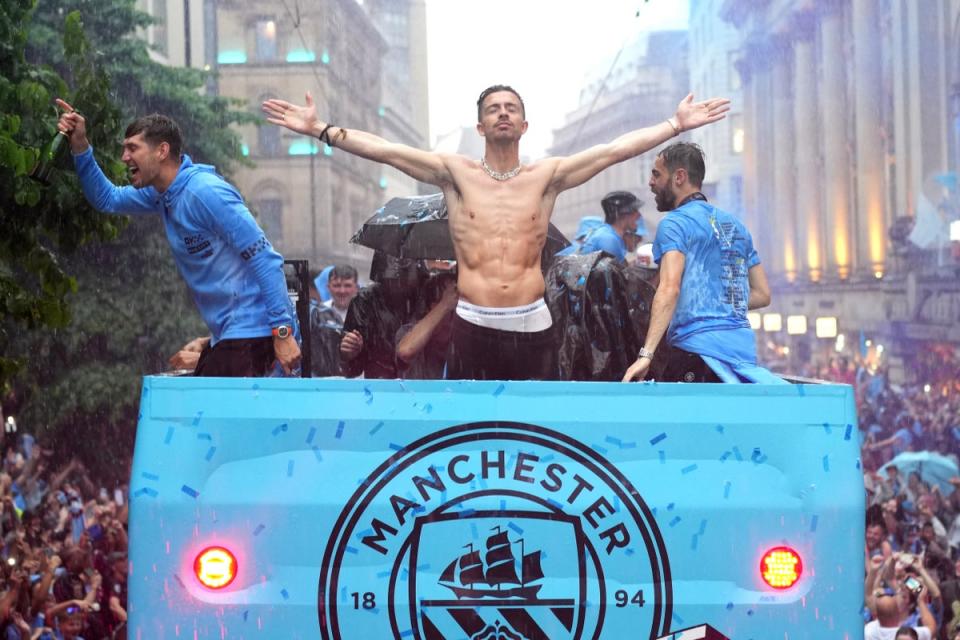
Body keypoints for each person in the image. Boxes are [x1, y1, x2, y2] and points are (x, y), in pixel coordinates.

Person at [263, 86, 728, 380]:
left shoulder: (547, 176)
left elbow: (611, 151)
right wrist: (320, 129)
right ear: (481, 125)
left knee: (536, 435)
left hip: (533, 323)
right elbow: (385, 150)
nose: (502, 114)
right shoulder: (454, 173)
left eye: (511, 109)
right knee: (470, 431)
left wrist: (675, 125)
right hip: (474, 323)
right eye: (493, 109)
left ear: (524, 126)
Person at [55, 100, 300, 377]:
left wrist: (282, 332)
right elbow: (106, 198)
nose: (124, 157)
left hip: (256, 333)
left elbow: (265, 259)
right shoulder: (161, 194)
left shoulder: (205, 192)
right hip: (231, 336)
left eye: (132, 148)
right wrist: (79, 144)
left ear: (162, 151)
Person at [622, 142, 775, 383]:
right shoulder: (735, 226)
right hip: (742, 356)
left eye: (656, 174)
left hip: (696, 355)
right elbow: (763, 294)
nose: (651, 182)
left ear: (679, 177)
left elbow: (669, 288)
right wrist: (717, 302)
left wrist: (646, 355)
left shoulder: (675, 224)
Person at [578, 191, 647, 263]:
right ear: (623, 214)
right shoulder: (607, 239)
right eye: (635, 210)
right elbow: (615, 272)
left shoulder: (607, 234)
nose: (639, 215)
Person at [865, 592, 936, 640]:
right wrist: (921, 601)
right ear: (898, 613)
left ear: (876, 616)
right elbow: (931, 628)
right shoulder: (906, 636)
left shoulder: (868, 630)